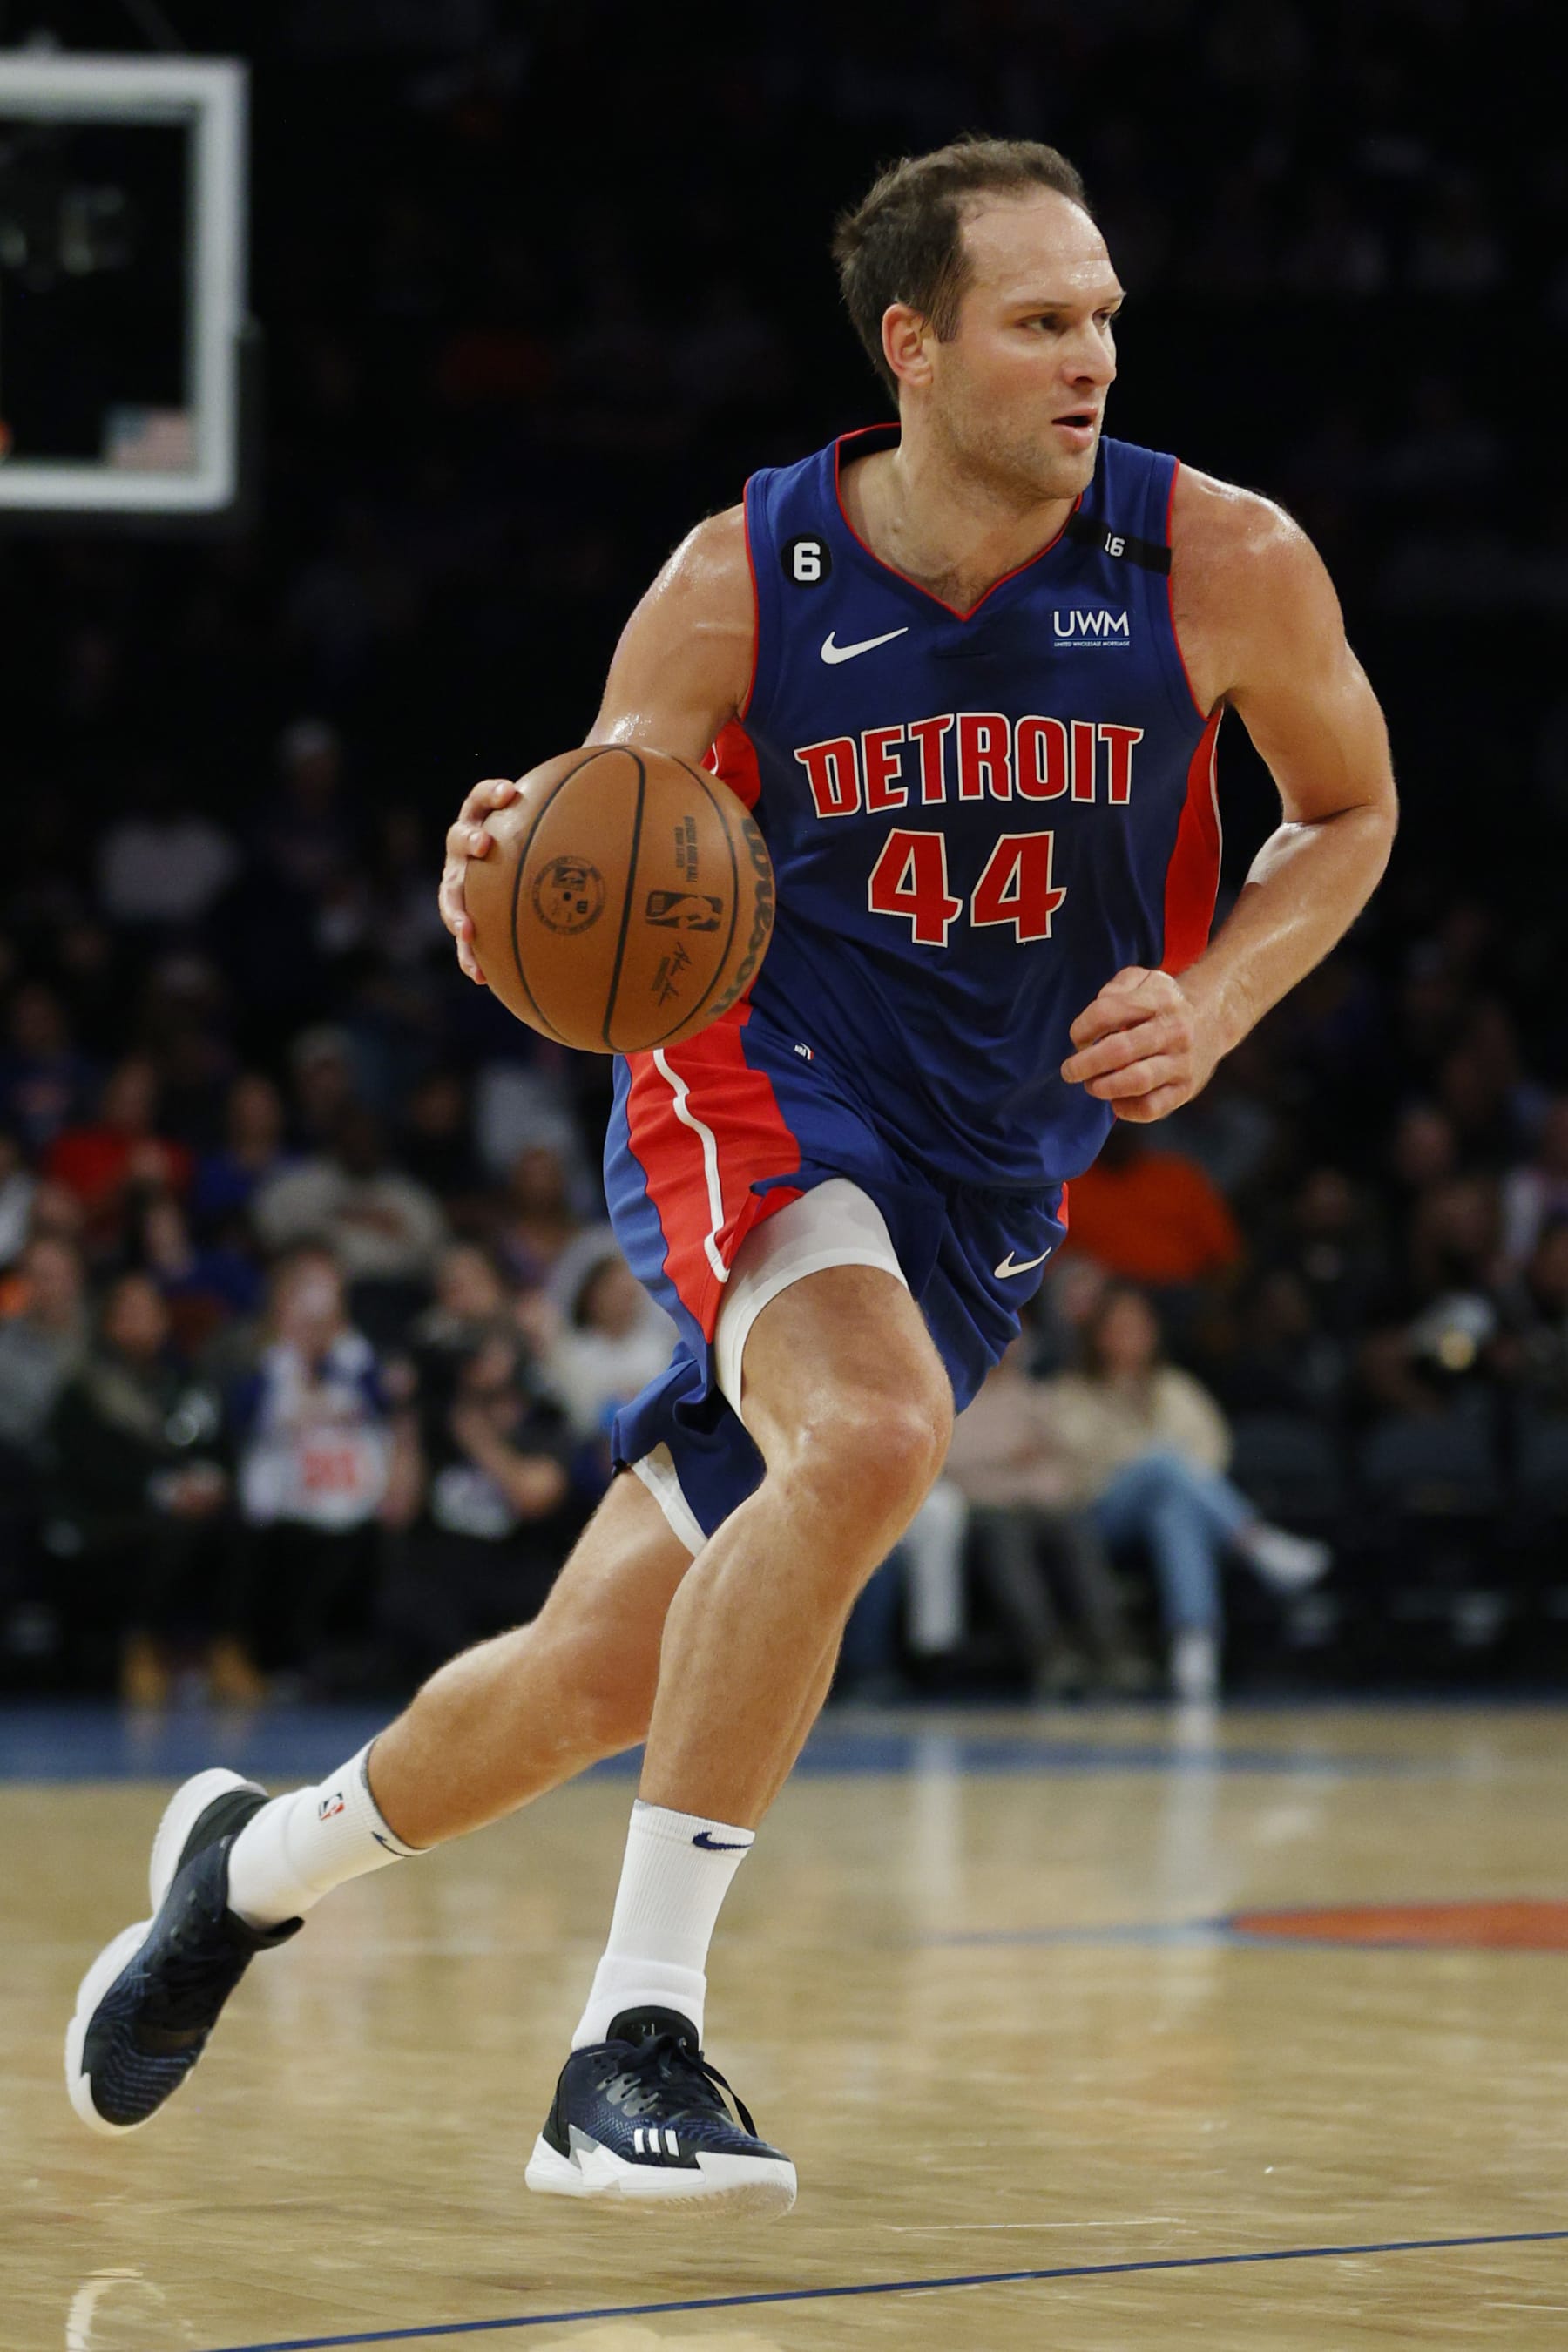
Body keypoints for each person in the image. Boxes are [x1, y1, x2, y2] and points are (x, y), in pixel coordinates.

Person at [70, 138, 1396, 2212]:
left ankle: (247, 1864)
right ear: (915, 342)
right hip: (756, 1079)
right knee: (870, 1433)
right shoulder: (741, 579)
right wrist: (491, 869)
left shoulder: (1220, 561)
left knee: (605, 1670)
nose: (1094, 359)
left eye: (1106, 315)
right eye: (1042, 321)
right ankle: (631, 2040)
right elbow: (593, 851)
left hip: (982, 1169)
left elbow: (1348, 810)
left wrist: (1220, 997)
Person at [1039, 1285, 1331, 1702]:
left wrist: (1166, 1471)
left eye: (1138, 1327)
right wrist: (1145, 1454)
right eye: (1118, 1327)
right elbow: (1080, 1465)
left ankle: (1194, 1644)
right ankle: (1257, 1541)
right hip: (1097, 1519)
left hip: (1170, 1511)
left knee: (1174, 1509)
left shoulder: (1174, 1387)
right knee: (1162, 1463)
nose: (1129, 1337)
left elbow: (1212, 1450)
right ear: (1097, 1335)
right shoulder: (1070, 1392)